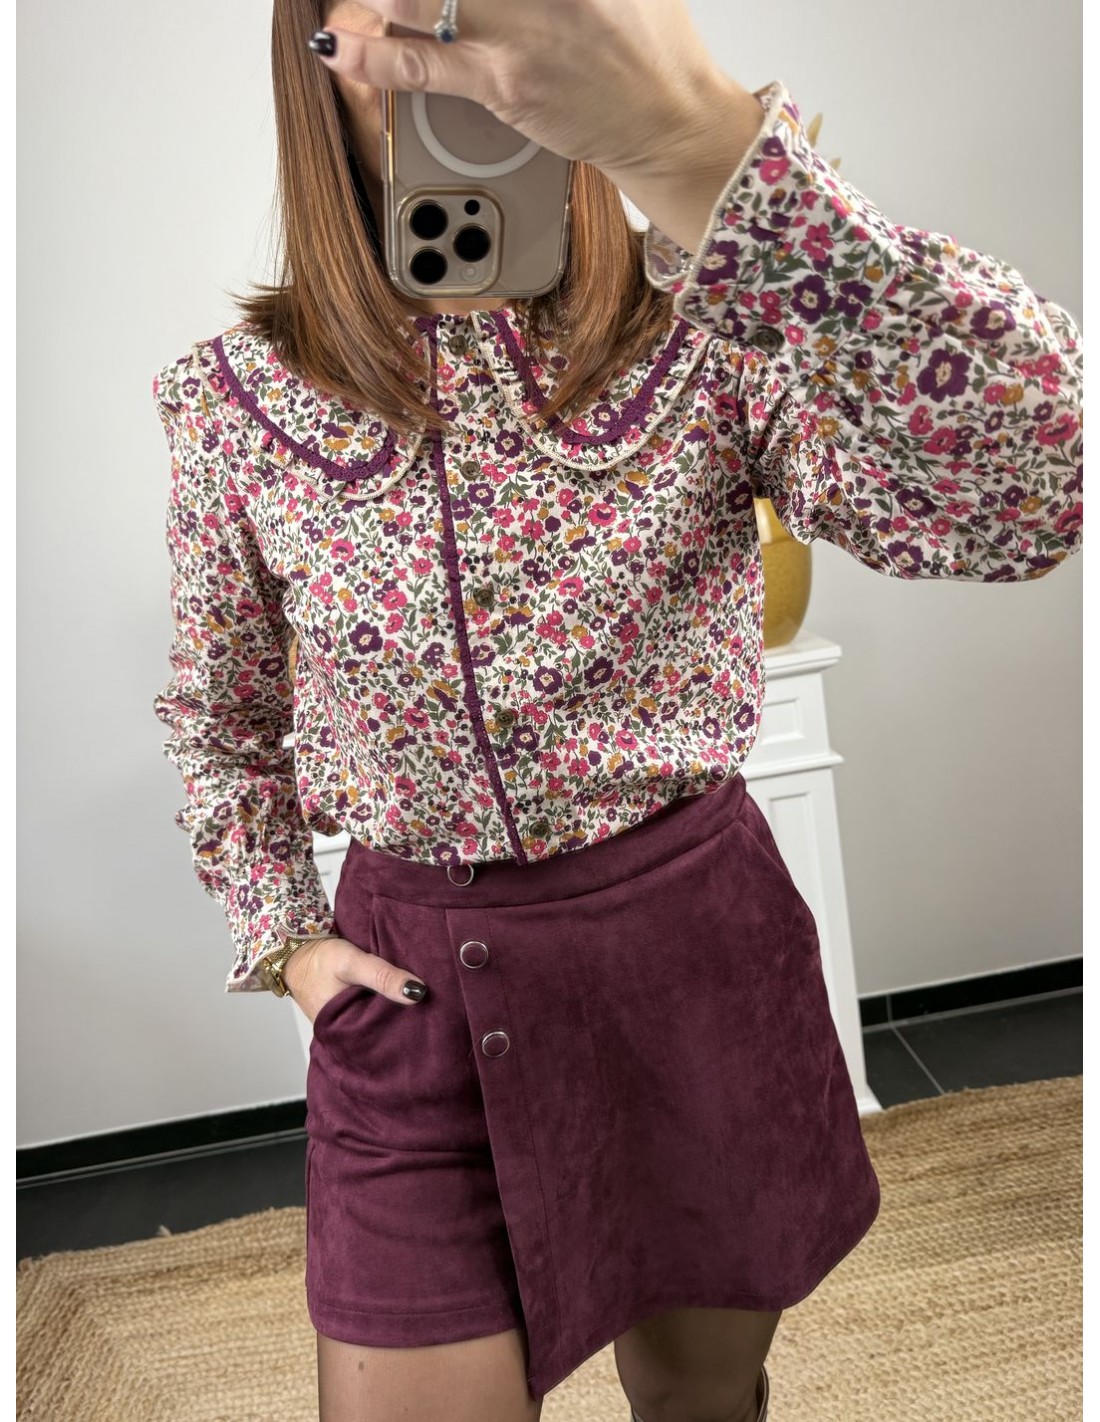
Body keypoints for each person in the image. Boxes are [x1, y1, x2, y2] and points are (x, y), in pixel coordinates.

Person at [150, 3, 1083, 1420]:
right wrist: (284, 938)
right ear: (315, 54)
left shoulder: (715, 331)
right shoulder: (232, 406)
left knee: (705, 1403)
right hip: (418, 999)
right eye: (403, 13)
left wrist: (704, 149)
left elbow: (1030, 496)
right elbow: (220, 715)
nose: (451, 43)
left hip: (694, 964)